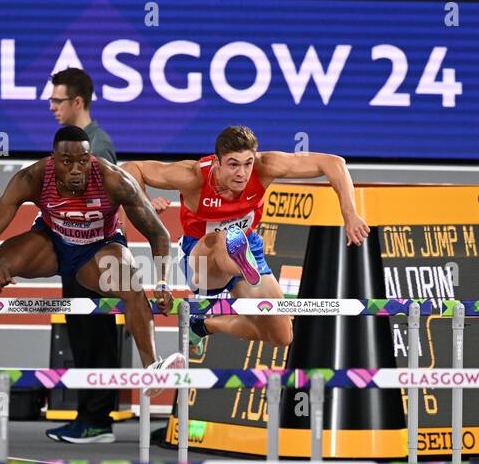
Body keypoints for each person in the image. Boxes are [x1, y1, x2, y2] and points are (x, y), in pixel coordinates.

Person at [0, 125, 183, 442]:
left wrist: (164, 283)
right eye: (67, 161)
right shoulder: (31, 178)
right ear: (53, 160)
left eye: (83, 161)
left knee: (129, 283)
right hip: (52, 244)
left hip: (98, 249)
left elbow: (159, 234)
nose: (76, 170)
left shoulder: (114, 179)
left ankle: (152, 366)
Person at [122, 125, 369, 354]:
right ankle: (244, 265)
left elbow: (334, 163)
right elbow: (132, 168)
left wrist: (350, 215)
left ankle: (204, 325)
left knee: (281, 336)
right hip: (203, 260)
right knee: (221, 239)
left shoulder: (265, 166)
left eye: (247, 163)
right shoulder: (193, 176)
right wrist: (145, 201)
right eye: (233, 165)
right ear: (217, 162)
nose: (242, 173)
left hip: (247, 250)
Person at [43, 68, 124, 443]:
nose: (52, 107)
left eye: (57, 101)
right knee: (83, 332)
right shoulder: (78, 141)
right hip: (76, 250)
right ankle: (90, 416)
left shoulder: (97, 145)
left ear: (77, 102)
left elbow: (100, 202)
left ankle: (97, 420)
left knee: (95, 334)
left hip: (92, 253)